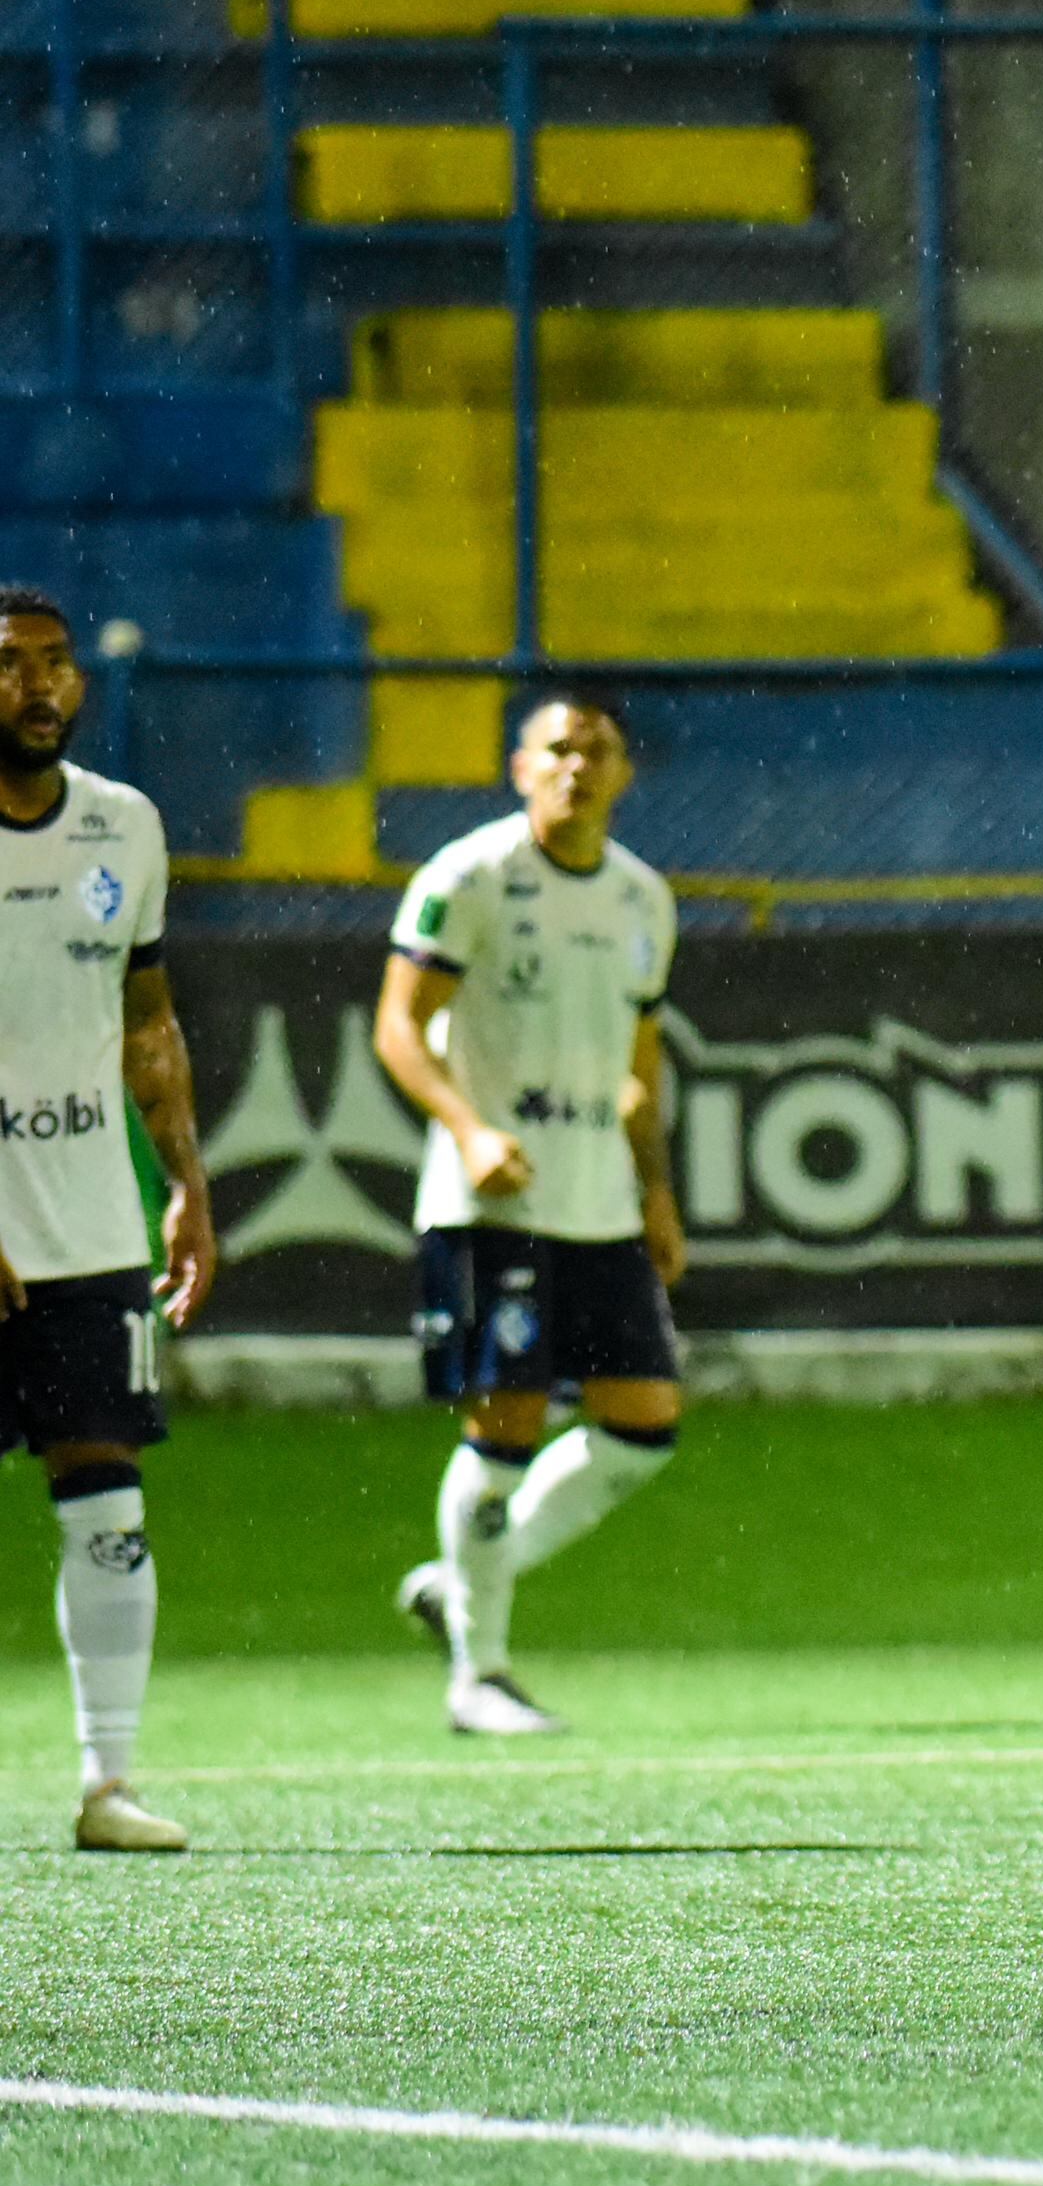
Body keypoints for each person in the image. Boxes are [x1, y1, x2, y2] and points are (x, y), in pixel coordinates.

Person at [380, 692, 687, 1739]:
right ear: (520, 766)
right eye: (558, 748)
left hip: (598, 1200)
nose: (576, 766)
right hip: (489, 1203)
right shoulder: (469, 876)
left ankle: (462, 1577)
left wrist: (654, 1190)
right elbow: (398, 1028)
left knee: (642, 1423)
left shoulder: (645, 898)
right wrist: (467, 1127)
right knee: (503, 1421)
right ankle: (480, 1672)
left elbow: (637, 1070)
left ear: (624, 772)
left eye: (597, 750)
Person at [0, 584, 215, 1851]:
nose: (36, 684)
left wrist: (185, 1182)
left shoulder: (123, 826)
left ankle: (107, 1782)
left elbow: (148, 1020)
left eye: (54, 664)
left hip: (91, 1226)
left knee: (108, 1496)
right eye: (10, 663)